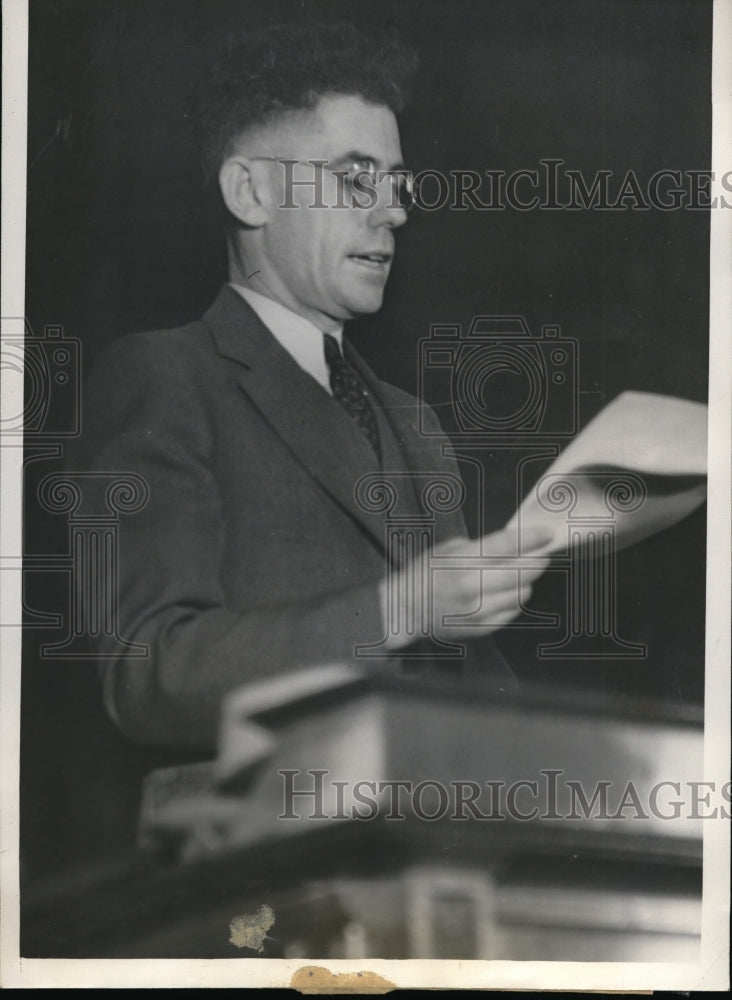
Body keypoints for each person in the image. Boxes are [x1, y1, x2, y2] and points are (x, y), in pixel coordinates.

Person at [74, 22, 549, 755]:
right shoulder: (164, 377)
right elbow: (152, 676)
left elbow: (464, 694)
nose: (394, 211)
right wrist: (403, 606)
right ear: (251, 192)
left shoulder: (413, 422)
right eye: (357, 178)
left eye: (398, 184)